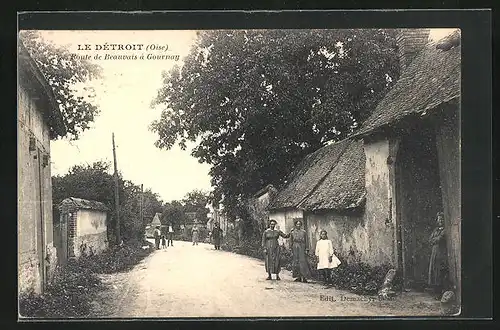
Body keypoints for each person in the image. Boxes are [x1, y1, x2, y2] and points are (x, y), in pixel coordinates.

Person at [427, 211, 448, 296]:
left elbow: (440, 239)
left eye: (442, 219)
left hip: (441, 253)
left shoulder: (445, 230)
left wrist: (434, 239)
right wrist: (434, 239)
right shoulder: (435, 230)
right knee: (434, 271)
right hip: (434, 252)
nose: (440, 221)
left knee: (440, 272)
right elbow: (430, 240)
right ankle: (436, 292)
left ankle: (440, 292)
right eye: (439, 219)